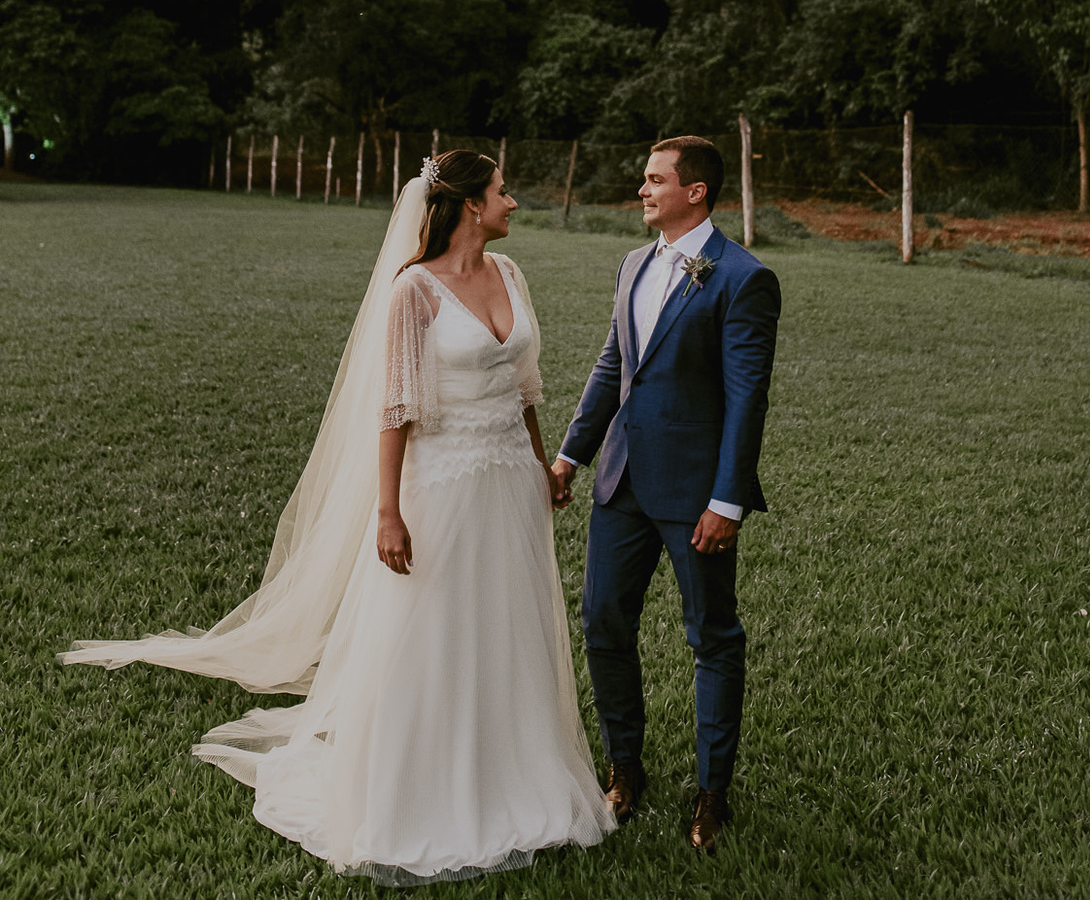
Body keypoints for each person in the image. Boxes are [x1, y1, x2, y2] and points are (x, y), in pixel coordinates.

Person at [60, 150, 613, 885]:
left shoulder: (512, 276)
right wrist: (387, 511)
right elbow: (393, 411)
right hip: (438, 483)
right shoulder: (413, 290)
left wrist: (543, 468)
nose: (515, 203)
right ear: (472, 205)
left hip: (509, 479)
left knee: (508, 621)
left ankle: (517, 765)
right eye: (504, 192)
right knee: (436, 628)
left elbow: (524, 388)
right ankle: (422, 786)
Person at [551, 135, 781, 856]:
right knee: (602, 624)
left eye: (655, 180)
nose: (643, 190)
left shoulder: (744, 278)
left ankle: (713, 794)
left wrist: (728, 501)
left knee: (712, 636)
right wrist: (569, 455)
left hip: (694, 495)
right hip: (619, 480)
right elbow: (613, 364)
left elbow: (748, 400)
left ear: (697, 192)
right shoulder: (632, 264)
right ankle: (626, 770)